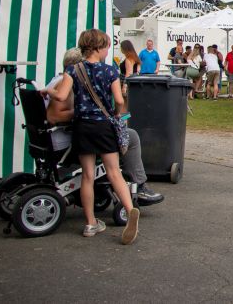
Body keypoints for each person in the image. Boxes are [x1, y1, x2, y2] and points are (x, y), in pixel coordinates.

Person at [44, 29, 139, 244]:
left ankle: (90, 223)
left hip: (82, 126)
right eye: (106, 46)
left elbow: (60, 95)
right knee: (114, 172)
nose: (107, 50)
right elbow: (120, 101)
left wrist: (46, 91)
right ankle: (130, 209)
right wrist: (115, 113)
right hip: (103, 126)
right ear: (98, 48)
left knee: (87, 175)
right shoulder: (110, 71)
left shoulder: (72, 69)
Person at [45, 47, 164, 206]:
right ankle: (139, 185)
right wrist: (84, 111)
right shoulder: (66, 84)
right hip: (69, 141)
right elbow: (53, 116)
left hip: (64, 136)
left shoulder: (57, 80)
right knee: (131, 137)